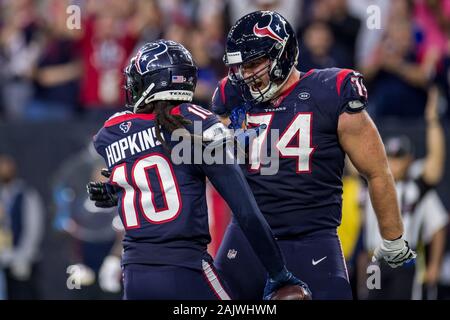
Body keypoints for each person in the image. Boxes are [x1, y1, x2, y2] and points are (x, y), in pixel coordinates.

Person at [210, 10, 416, 300]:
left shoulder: (330, 91)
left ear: (281, 55)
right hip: (247, 239)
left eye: (254, 64)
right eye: (240, 67)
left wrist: (393, 239)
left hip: (310, 240)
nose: (245, 75)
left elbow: (377, 170)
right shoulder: (230, 97)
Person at [86, 39, 310, 300]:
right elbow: (246, 211)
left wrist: (117, 192)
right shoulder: (195, 124)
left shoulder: (113, 130)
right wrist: (279, 272)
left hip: (135, 274)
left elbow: (151, 176)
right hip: (185, 270)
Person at [364, 86, 447, 300]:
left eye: (398, 157)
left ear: (409, 160)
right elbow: (351, 160)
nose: (393, 163)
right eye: (390, 157)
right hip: (375, 260)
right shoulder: (372, 180)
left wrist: (431, 120)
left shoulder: (415, 186)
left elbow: (435, 165)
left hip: (404, 261)